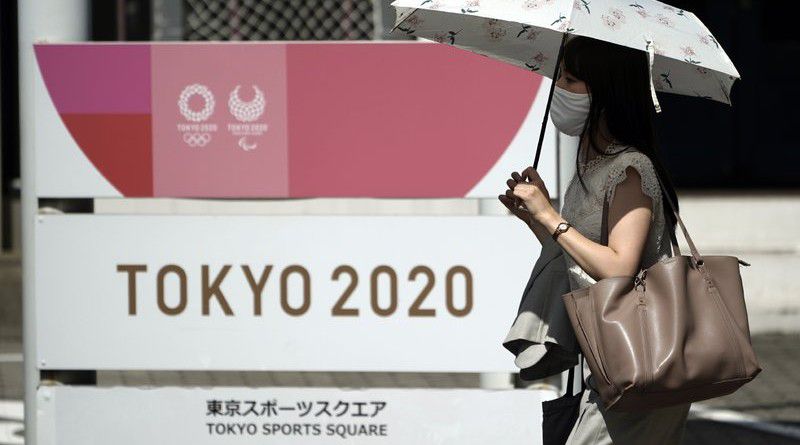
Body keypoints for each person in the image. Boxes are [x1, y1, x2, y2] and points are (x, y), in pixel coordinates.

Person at [498, 35, 690, 444]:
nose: (558, 89)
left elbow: (618, 268)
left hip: (642, 363)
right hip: (608, 362)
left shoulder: (630, 168)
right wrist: (537, 218)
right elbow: (582, 261)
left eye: (571, 80)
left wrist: (550, 217)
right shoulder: (593, 163)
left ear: (606, 90)